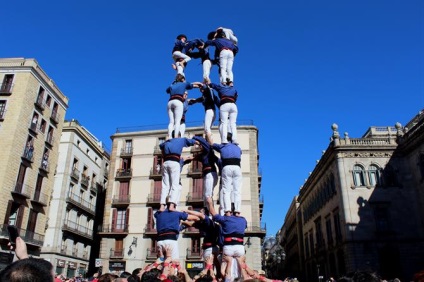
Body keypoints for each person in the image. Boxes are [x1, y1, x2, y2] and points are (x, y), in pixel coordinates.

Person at [206, 197, 247, 281]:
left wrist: (210, 203)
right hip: (239, 246)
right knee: (238, 268)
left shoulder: (226, 219)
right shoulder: (243, 220)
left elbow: (213, 213)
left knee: (226, 268)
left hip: (229, 247)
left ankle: (229, 265)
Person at [159, 136, 199, 211]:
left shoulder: (167, 142)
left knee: (165, 186)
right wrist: (199, 143)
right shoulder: (181, 140)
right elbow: (191, 141)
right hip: (174, 163)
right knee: (175, 185)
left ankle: (162, 206)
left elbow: (161, 146)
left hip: (165, 163)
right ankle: (172, 205)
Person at [209, 133, 242, 214]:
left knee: (226, 190)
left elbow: (211, 144)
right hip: (237, 168)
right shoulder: (238, 147)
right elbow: (240, 153)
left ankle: (227, 210)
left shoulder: (222, 146)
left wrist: (208, 134)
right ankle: (237, 211)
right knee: (237, 190)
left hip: (227, 167)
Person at [166, 74, 202, 140]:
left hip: (170, 102)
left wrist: (173, 83)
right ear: (182, 79)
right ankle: (176, 137)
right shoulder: (184, 84)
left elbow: (167, 90)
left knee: (171, 122)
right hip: (178, 101)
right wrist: (200, 85)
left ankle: (170, 136)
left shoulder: (172, 85)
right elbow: (192, 85)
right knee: (177, 121)